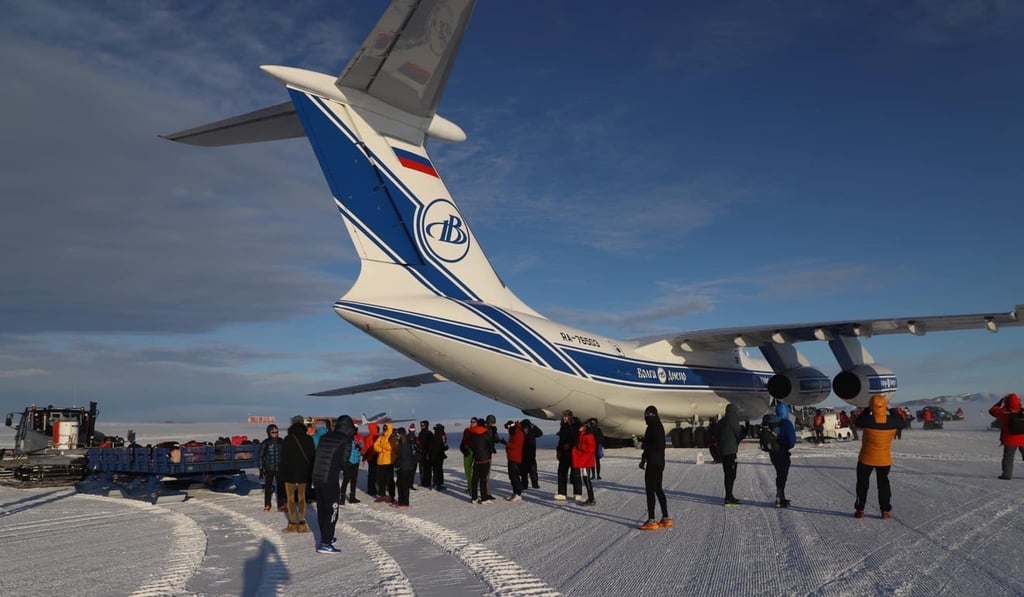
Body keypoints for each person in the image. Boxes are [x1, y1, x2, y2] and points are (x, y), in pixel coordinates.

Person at [853, 395, 904, 519]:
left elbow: (857, 421)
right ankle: (885, 511)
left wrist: (868, 408)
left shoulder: (867, 420)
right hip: (884, 459)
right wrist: (890, 409)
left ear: (872, 406)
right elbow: (901, 422)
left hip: (866, 458)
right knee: (883, 484)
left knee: (862, 484)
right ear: (884, 406)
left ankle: (860, 510)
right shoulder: (893, 421)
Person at [311, 415, 355, 554]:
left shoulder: (325, 437)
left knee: (322, 509)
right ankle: (325, 543)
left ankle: (326, 537)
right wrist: (350, 463)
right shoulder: (345, 440)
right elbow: (343, 462)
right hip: (330, 479)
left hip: (317, 477)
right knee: (332, 511)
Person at [279, 415, 315, 533]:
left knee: (290, 498)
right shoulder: (308, 439)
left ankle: (292, 524)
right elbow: (312, 456)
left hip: (289, 473)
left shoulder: (288, 439)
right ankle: (302, 524)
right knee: (301, 498)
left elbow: (283, 458)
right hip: (303, 472)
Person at [638, 405, 670, 530]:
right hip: (657, 462)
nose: (646, 418)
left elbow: (659, 445)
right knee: (658, 488)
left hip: (654, 463)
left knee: (650, 490)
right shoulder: (656, 426)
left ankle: (651, 520)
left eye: (647, 415)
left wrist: (644, 447)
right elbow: (650, 444)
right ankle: (666, 518)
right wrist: (643, 458)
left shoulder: (654, 427)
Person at [765, 403, 797, 508]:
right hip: (782, 452)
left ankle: (780, 496)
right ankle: (780, 497)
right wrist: (787, 446)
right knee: (782, 475)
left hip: (773, 452)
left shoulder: (772, 421)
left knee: (779, 474)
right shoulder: (786, 423)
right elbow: (791, 440)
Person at [988, 393, 1024, 480]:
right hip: (1023, 438)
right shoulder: (1022, 411)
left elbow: (992, 411)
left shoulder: (1003, 411)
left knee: (1008, 458)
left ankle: (1007, 475)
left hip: (1009, 439)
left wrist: (1000, 402)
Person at [717, 403, 744, 506]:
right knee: (731, 475)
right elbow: (738, 433)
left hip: (723, 452)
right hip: (731, 452)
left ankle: (729, 495)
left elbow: (717, 434)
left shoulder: (721, 422)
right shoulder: (733, 421)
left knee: (727, 474)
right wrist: (744, 432)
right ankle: (728, 497)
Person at [258, 424, 286, 512]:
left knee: (281, 487)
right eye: (273, 432)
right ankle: (267, 504)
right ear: (269, 432)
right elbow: (260, 456)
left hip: (279, 468)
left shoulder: (281, 441)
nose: (275, 433)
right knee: (268, 487)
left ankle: (281, 505)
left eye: (277, 432)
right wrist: (261, 468)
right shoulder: (265, 443)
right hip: (269, 468)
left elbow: (286, 454)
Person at [468, 417, 495, 503]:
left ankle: (474, 498)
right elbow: (491, 446)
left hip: (476, 460)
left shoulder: (473, 434)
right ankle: (484, 498)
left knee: (474, 480)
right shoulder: (486, 433)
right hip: (485, 460)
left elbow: (471, 446)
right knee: (483, 479)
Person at [555, 409, 579, 501]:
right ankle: (562, 493)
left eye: (566, 416)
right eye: (563, 416)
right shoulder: (563, 426)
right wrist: (558, 451)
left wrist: (570, 444)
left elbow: (576, 438)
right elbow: (560, 441)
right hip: (564, 453)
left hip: (573, 452)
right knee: (561, 472)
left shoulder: (575, 425)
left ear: (570, 417)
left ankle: (577, 493)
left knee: (575, 473)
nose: (564, 418)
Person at [572, 418, 597, 506]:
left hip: (586, 461)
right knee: (585, 479)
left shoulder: (588, 436)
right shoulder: (582, 435)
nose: (579, 428)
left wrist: (579, 447)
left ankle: (591, 499)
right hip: (583, 460)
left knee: (587, 480)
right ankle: (591, 499)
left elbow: (591, 448)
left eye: (580, 427)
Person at [373, 423, 397, 503]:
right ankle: (382, 495)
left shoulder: (392, 437)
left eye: (386, 428)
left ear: (389, 428)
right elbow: (375, 446)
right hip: (380, 461)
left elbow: (389, 447)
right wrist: (382, 449)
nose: (384, 430)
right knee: (380, 480)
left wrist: (382, 445)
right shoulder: (381, 436)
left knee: (389, 480)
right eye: (383, 428)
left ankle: (391, 495)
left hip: (388, 461)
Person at [393, 426, 416, 508]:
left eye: (397, 434)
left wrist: (396, 462)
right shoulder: (401, 442)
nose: (396, 435)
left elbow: (403, 455)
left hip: (405, 467)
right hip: (404, 466)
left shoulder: (405, 443)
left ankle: (404, 502)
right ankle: (401, 501)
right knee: (400, 484)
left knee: (403, 485)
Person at [341, 421, 361, 504]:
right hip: (349, 461)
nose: (355, 431)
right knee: (346, 479)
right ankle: (342, 498)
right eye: (354, 429)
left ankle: (352, 497)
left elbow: (362, 446)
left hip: (356, 461)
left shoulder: (358, 437)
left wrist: (360, 446)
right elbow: (344, 448)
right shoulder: (346, 438)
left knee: (353, 480)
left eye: (356, 429)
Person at [504, 419, 525, 502]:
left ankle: (518, 494)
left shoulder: (518, 433)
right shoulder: (513, 433)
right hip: (511, 457)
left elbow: (515, 445)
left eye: (508, 428)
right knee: (512, 476)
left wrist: (506, 443)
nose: (508, 430)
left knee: (515, 476)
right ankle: (515, 492)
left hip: (516, 458)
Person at [519, 419, 543, 490]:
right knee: (523, 472)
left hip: (531, 456)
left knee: (533, 471)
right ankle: (524, 485)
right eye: (524, 428)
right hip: (522, 456)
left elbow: (540, 433)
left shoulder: (532, 432)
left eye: (526, 428)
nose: (525, 429)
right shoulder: (520, 433)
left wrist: (535, 427)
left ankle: (535, 484)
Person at [460, 416, 478, 492]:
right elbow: (463, 440)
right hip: (467, 452)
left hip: (476, 452)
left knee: (475, 471)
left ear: (477, 423)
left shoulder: (478, 430)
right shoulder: (467, 430)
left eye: (474, 422)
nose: (472, 423)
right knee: (467, 470)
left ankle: (474, 487)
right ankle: (470, 487)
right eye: (471, 421)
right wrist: (462, 448)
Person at [428, 423, 448, 490]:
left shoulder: (434, 436)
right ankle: (438, 484)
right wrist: (445, 448)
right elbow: (441, 445)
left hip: (434, 455)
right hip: (439, 455)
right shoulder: (441, 435)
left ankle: (436, 483)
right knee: (439, 470)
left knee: (436, 470)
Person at [363, 422, 380, 498]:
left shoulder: (366, 437)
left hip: (369, 458)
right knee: (376, 474)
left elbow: (365, 448)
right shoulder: (378, 437)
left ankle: (370, 489)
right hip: (376, 457)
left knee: (371, 474)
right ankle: (375, 489)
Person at [416, 420, 433, 489]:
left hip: (428, 453)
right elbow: (419, 443)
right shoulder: (420, 433)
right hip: (421, 453)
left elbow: (431, 444)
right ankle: (422, 481)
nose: (422, 426)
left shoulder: (429, 433)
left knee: (428, 468)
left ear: (426, 425)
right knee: (421, 468)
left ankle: (428, 482)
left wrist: (429, 453)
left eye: (423, 425)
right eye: (421, 425)